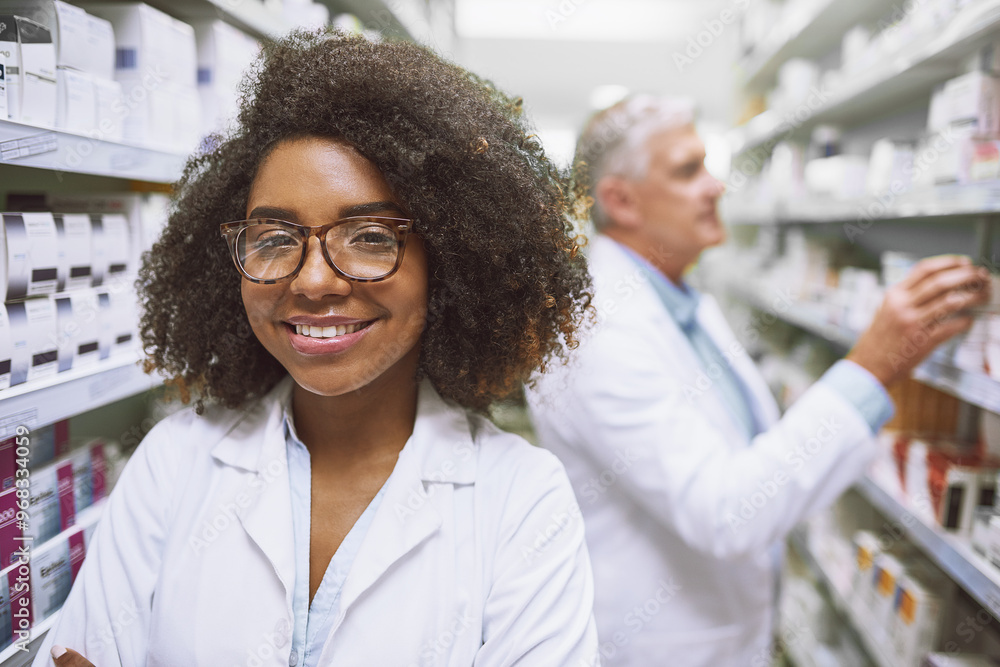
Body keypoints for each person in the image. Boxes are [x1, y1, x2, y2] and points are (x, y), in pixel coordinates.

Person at [37, 30, 598, 667]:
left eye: (368, 235)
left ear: (447, 256)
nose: (312, 281)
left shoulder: (522, 500)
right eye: (275, 237)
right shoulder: (174, 466)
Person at [525, 95, 991, 666]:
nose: (716, 186)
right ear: (621, 200)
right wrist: (873, 367)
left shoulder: (678, 298)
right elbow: (729, 511)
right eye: (688, 170)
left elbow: (754, 458)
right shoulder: (596, 333)